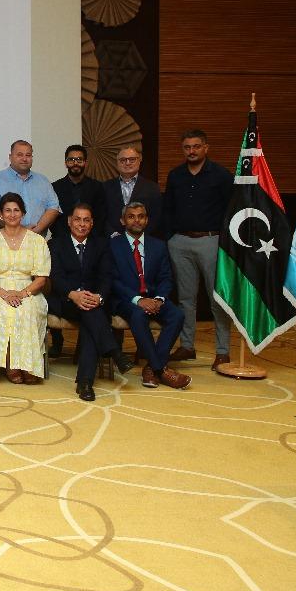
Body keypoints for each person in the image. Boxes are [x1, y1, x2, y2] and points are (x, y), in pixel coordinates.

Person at [163, 129, 235, 368]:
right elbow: (168, 209)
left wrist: (223, 242)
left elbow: (231, 211)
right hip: (180, 242)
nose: (191, 151)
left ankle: (222, 351)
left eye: (196, 146)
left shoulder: (221, 175)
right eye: (187, 147)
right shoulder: (175, 175)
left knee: (217, 299)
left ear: (206, 147)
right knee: (186, 299)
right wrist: (171, 238)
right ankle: (187, 346)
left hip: (210, 241)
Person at [45, 203, 130, 402]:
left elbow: (106, 277)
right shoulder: (55, 244)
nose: (81, 224)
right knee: (92, 315)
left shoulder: (102, 244)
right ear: (69, 221)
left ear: (92, 224)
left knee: (90, 318)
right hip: (67, 301)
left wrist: (98, 297)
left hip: (94, 302)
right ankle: (114, 352)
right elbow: (55, 276)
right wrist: (73, 294)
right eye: (77, 219)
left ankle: (85, 383)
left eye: (86, 220)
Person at [107, 201, 190, 390]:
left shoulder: (158, 245)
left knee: (177, 315)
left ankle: (151, 367)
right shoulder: (112, 245)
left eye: (141, 216)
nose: (136, 220)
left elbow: (166, 277)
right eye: (131, 216)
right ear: (123, 221)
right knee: (138, 315)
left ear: (146, 220)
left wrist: (159, 299)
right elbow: (112, 280)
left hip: (154, 298)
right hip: (125, 299)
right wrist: (138, 300)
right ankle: (160, 368)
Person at [0, 192, 51, 384]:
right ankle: (11, 363)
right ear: (0, 214)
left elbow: (41, 278)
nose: (12, 214)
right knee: (5, 310)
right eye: (7, 210)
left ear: (23, 213)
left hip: (29, 290)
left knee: (27, 310)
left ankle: (29, 365)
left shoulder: (37, 241)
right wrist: (4, 294)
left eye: (16, 210)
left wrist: (23, 293)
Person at [0, 140, 60, 235]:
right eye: (20, 155)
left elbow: (53, 207)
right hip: (4, 240)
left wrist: (35, 231)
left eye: (28, 155)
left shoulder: (43, 180)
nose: (24, 159)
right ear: (10, 157)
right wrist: (20, 231)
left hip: (36, 238)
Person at [102, 146, 164, 238]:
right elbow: (101, 216)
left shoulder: (152, 187)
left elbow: (156, 217)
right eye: (123, 160)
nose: (127, 163)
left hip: (143, 240)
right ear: (117, 163)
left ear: (139, 161)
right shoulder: (105, 187)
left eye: (132, 159)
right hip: (112, 240)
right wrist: (113, 235)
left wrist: (139, 236)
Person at [49, 144, 105, 241]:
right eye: (71, 160)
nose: (75, 163)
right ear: (66, 163)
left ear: (85, 163)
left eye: (79, 160)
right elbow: (53, 218)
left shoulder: (97, 187)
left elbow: (101, 217)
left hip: (92, 241)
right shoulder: (54, 187)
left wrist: (89, 239)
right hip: (62, 241)